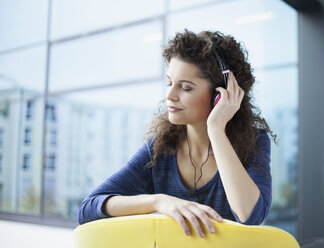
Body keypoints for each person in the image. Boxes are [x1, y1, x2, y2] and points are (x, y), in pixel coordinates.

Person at [78, 29, 277, 239]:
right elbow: (89, 208)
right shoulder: (160, 148)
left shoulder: (254, 141)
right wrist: (159, 201)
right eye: (169, 83)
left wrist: (216, 129)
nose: (170, 96)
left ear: (220, 95)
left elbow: (250, 215)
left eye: (185, 88)